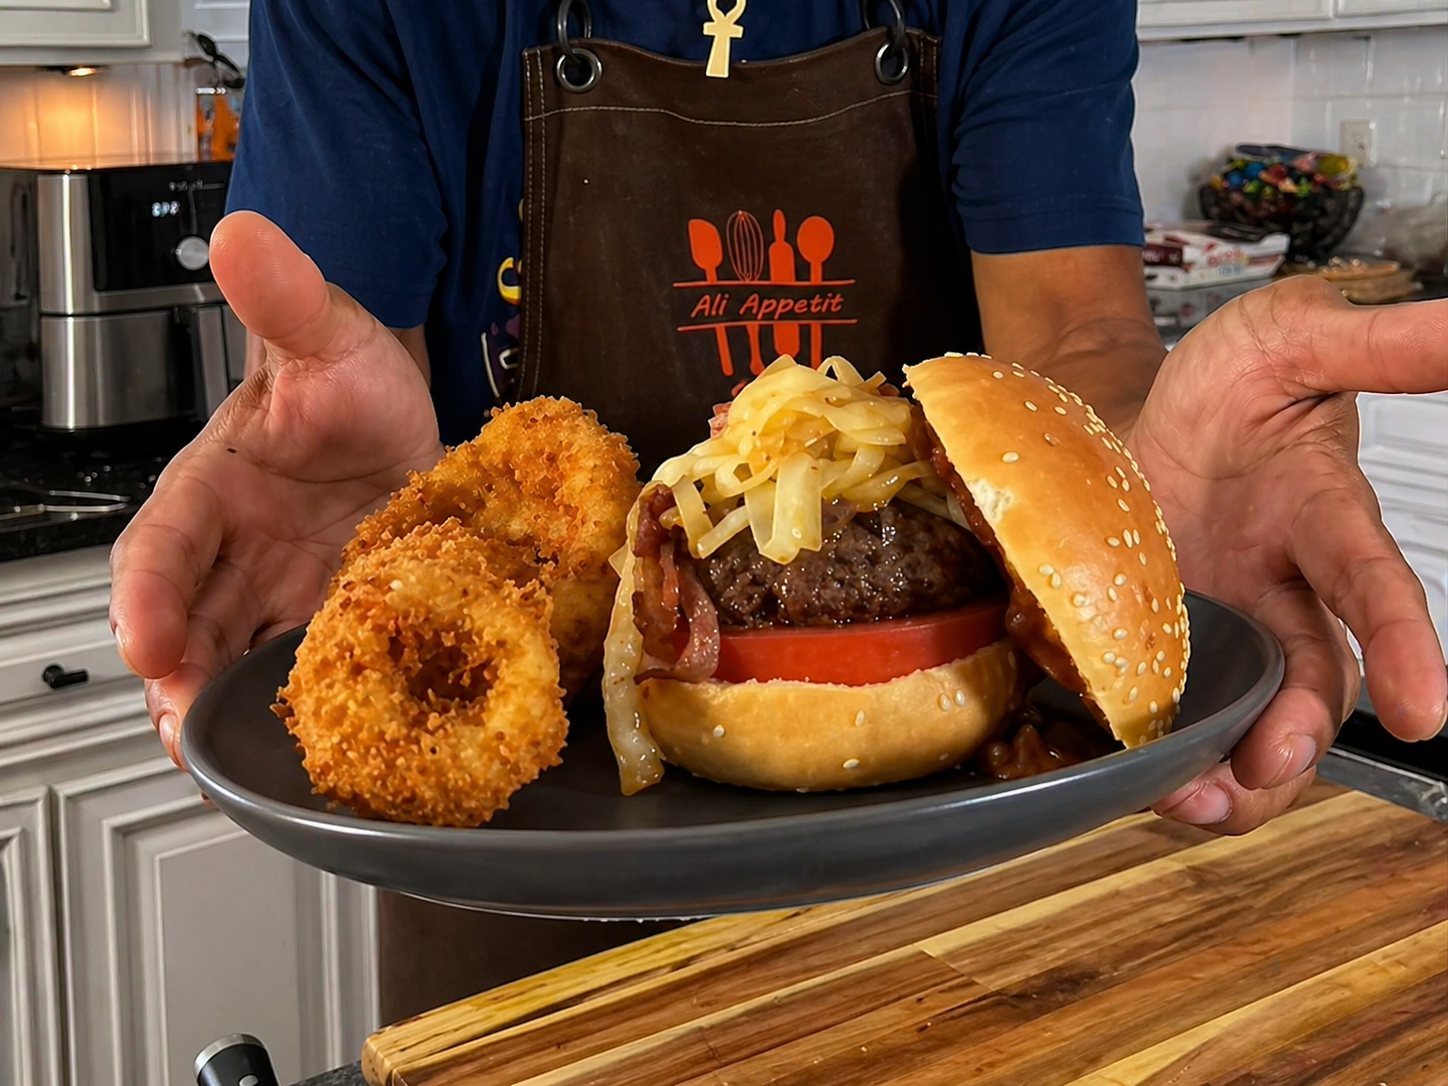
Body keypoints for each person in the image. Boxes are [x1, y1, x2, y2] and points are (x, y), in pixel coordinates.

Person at [109, 0, 1446, 1020]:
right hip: (523, 858)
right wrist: (376, 512)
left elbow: (1072, 328)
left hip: (953, 852)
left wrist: (1130, 482)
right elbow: (329, 351)